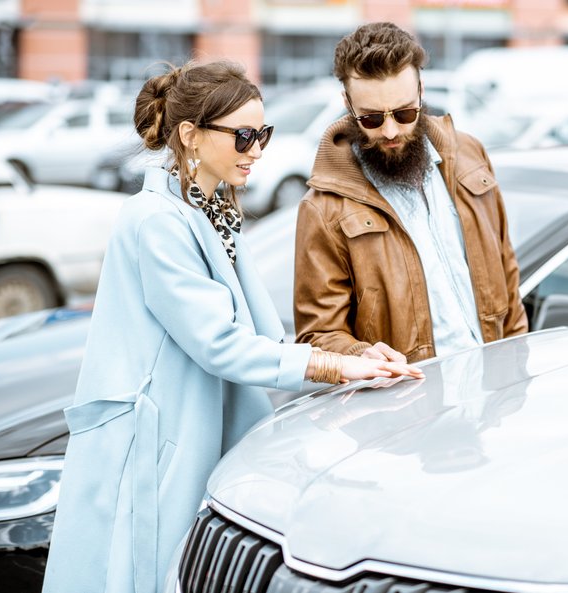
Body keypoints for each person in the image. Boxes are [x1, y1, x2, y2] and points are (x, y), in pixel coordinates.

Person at [41, 60, 423, 593]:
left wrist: (355, 359)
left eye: (263, 133)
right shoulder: (155, 220)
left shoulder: (212, 206)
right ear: (190, 135)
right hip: (154, 447)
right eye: (243, 135)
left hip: (194, 433)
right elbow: (220, 345)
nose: (258, 150)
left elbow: (260, 339)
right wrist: (340, 367)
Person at [294, 22, 528, 364]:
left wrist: (515, 372)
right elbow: (319, 336)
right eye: (371, 119)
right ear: (347, 103)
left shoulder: (470, 156)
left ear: (421, 91)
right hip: (411, 408)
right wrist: (361, 354)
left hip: (494, 395)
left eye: (404, 113)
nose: (390, 131)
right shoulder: (324, 208)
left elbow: (508, 279)